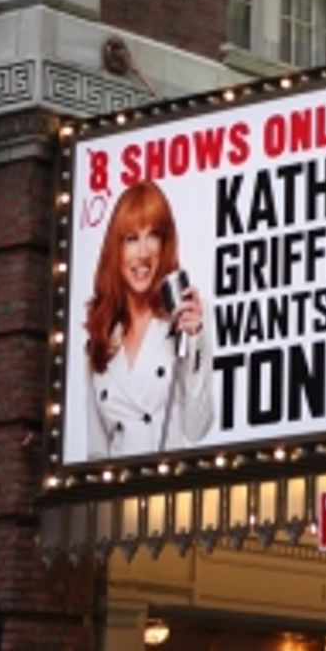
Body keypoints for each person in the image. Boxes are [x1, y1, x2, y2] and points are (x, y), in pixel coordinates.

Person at [84, 181, 213, 458]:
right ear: (115, 250)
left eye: (153, 235)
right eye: (131, 238)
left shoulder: (189, 317)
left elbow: (197, 427)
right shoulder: (101, 334)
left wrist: (195, 340)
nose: (143, 252)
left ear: (165, 243)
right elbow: (96, 450)